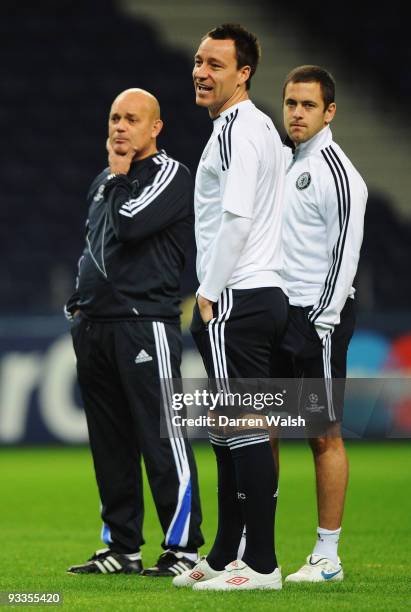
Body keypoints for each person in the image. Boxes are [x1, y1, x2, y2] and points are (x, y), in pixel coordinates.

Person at [65, 88, 204, 576]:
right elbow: (94, 242)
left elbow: (128, 225)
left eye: (131, 119)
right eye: (114, 118)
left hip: (145, 326)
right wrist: (80, 301)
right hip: (96, 327)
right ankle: (122, 548)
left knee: (163, 438)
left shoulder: (171, 174)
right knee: (110, 444)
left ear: (155, 128)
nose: (120, 127)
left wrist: (120, 176)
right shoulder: (104, 180)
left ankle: (183, 549)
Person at [172, 24, 288, 591]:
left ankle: (261, 564)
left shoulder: (237, 130)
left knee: (242, 426)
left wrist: (209, 293)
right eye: (199, 60)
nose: (201, 71)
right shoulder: (260, 127)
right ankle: (222, 555)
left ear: (242, 74)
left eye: (215, 64)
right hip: (261, 290)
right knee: (228, 427)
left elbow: (238, 217)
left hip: (236, 294)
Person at [273, 65, 367, 583]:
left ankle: (327, 555)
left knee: (322, 433)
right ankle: (253, 546)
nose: (297, 113)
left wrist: (321, 321)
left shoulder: (339, 172)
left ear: (329, 111)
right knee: (260, 427)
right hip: (276, 315)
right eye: (291, 103)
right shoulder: (288, 164)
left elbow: (344, 256)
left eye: (308, 105)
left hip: (316, 318)